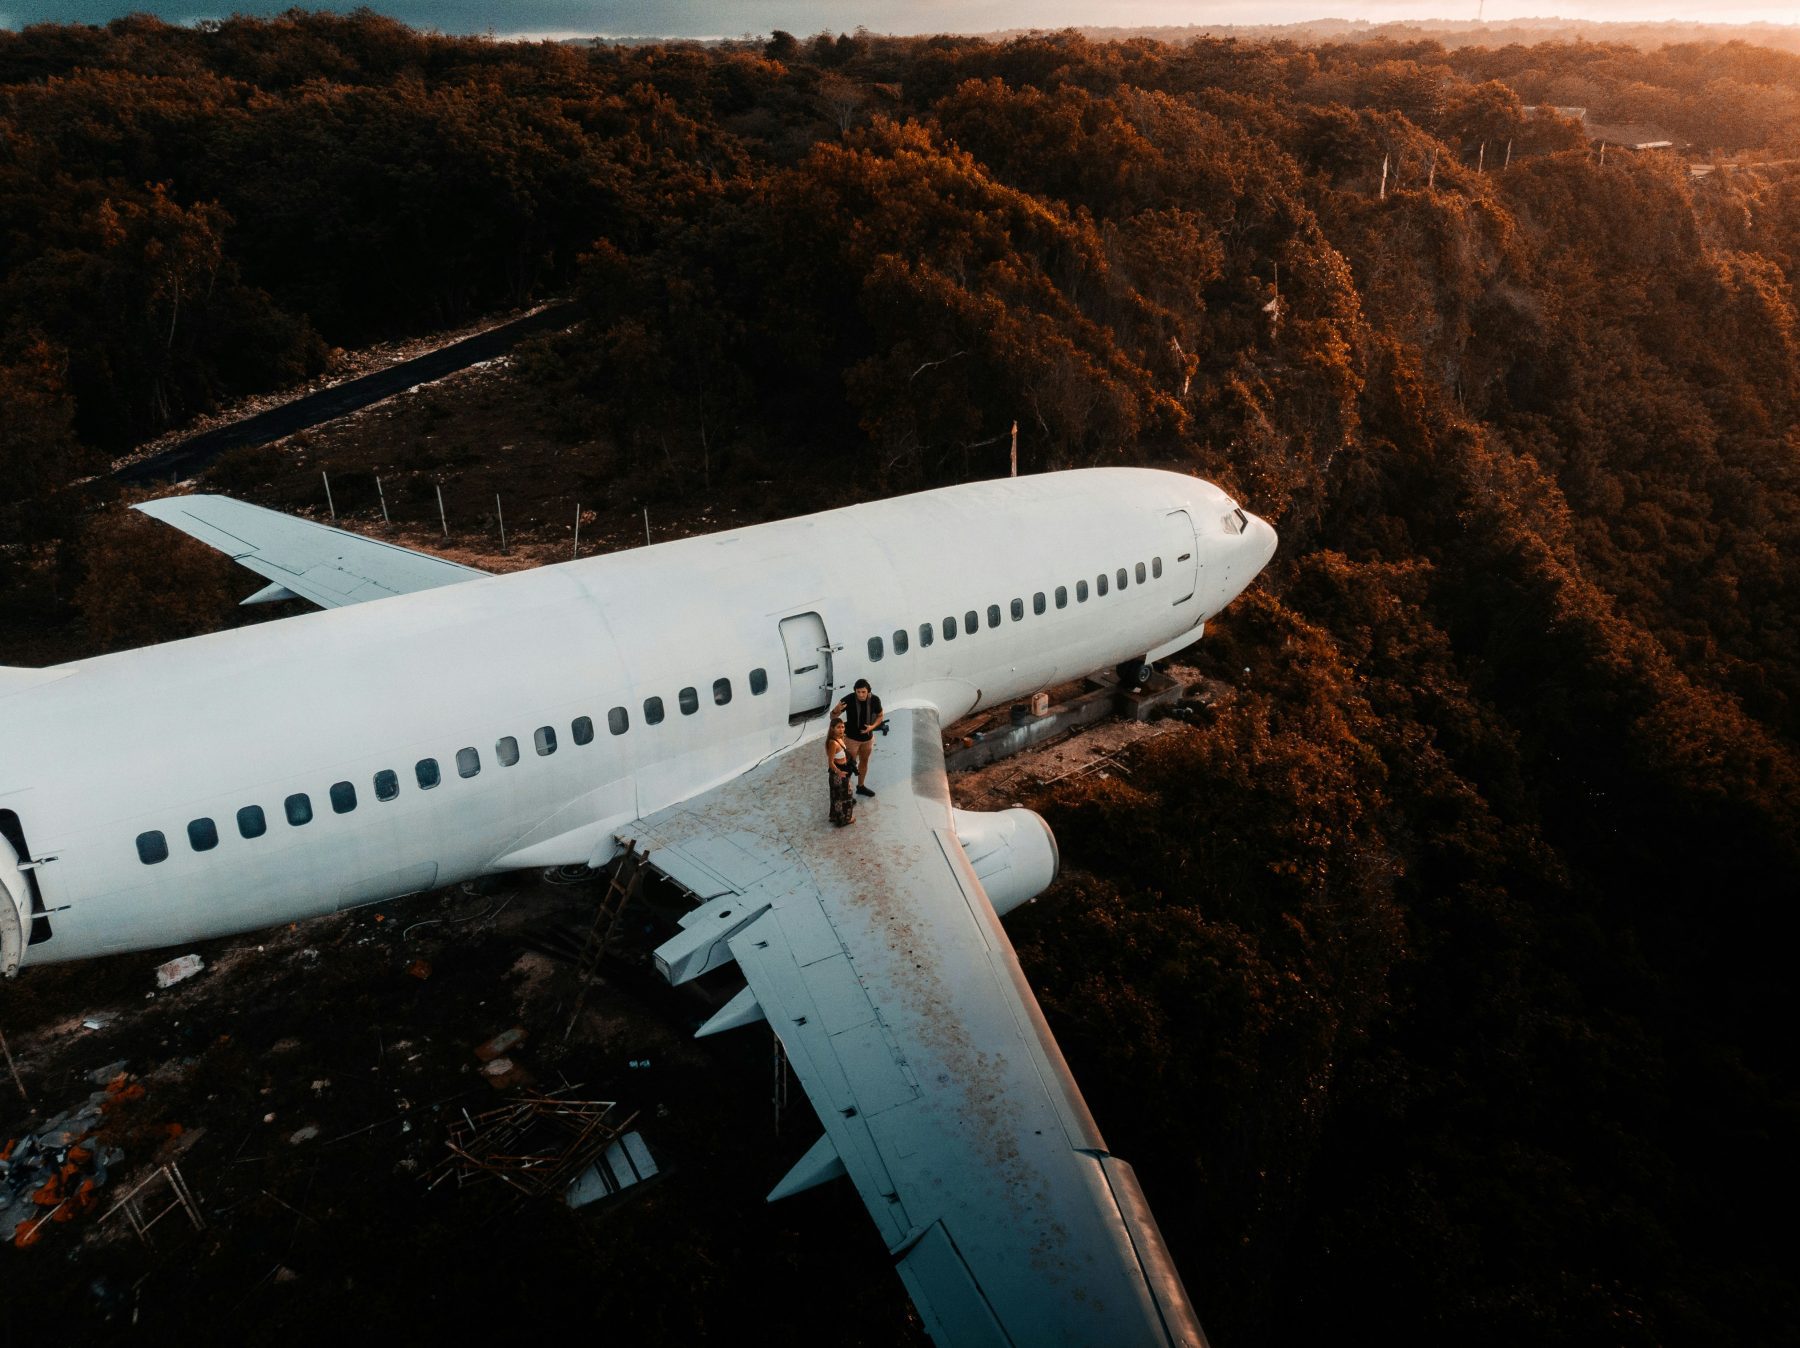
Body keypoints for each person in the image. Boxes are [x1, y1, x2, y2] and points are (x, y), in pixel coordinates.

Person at [832, 678, 884, 797]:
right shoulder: (848, 699)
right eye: (858, 692)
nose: (860, 694)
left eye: (863, 692)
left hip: (868, 739)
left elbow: (880, 715)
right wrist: (836, 710)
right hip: (851, 740)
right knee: (849, 766)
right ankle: (847, 792)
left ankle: (860, 787)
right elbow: (832, 717)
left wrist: (872, 727)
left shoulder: (875, 700)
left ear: (868, 692)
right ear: (855, 691)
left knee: (864, 762)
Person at [826, 717, 856, 826]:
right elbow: (830, 763)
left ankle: (834, 816)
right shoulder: (833, 743)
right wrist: (839, 772)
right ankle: (843, 820)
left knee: (836, 796)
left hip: (843, 770)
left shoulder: (840, 739)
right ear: (832, 728)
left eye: (843, 727)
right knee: (845, 796)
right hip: (838, 773)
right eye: (838, 727)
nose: (841, 729)